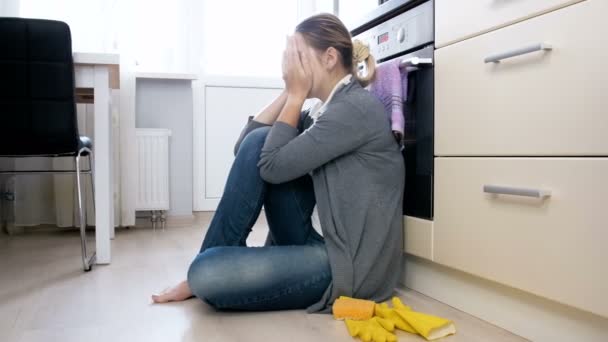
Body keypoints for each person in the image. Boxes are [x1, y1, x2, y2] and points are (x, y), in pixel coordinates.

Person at [152, 13, 405, 313]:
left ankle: (211, 268)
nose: (291, 67)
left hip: (345, 264)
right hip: (320, 241)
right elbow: (247, 146)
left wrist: (296, 95)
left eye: (298, 57)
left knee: (205, 273)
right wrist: (290, 91)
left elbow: (271, 166)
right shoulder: (325, 110)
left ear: (329, 58)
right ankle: (220, 261)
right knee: (259, 142)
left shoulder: (353, 109)